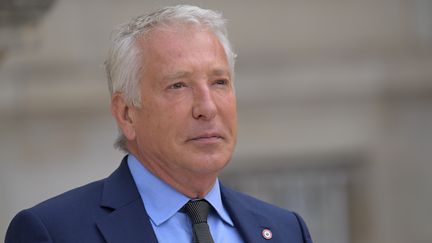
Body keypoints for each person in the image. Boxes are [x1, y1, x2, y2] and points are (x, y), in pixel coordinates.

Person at [5, 5, 313, 243]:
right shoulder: (54, 233)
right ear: (127, 114)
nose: (207, 107)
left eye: (219, 82)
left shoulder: (286, 230)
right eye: (179, 85)